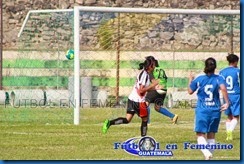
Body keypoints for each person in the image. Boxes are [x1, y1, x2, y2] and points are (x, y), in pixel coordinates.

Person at [102, 56, 160, 136]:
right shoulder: (145, 75)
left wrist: (154, 87)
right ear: (150, 66)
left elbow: (143, 89)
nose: (154, 67)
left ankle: (109, 123)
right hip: (139, 102)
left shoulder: (144, 73)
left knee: (127, 119)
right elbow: (141, 91)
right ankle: (143, 139)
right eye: (153, 65)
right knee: (145, 120)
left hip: (132, 99)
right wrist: (153, 85)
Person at [188, 57, 229, 160]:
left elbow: (190, 91)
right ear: (215, 67)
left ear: (205, 66)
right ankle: (209, 157)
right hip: (215, 110)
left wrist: (190, 80)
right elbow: (223, 88)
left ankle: (207, 154)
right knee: (211, 134)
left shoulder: (200, 78)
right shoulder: (219, 78)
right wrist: (227, 102)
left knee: (200, 134)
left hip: (203, 110)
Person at [219, 54, 240, 141]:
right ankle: (230, 131)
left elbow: (220, 84)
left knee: (229, 117)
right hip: (236, 95)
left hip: (226, 95)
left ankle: (228, 135)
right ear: (235, 62)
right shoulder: (238, 71)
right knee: (236, 116)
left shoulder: (222, 71)